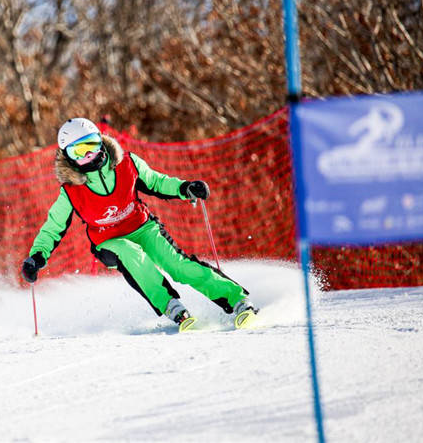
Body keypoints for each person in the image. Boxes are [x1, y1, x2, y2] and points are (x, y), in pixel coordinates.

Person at [21, 118, 258, 330]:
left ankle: (238, 300)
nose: (88, 156)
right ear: (68, 157)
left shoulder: (127, 164)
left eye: (91, 145)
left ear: (101, 142)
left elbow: (156, 182)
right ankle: (173, 307)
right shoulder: (71, 192)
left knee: (177, 264)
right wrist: (36, 257)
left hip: (143, 227)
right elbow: (52, 228)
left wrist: (185, 189)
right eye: (78, 152)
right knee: (131, 255)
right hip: (108, 241)